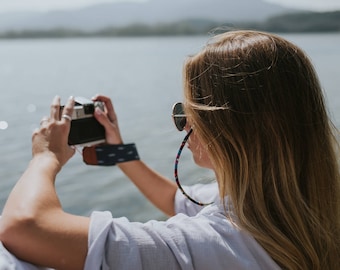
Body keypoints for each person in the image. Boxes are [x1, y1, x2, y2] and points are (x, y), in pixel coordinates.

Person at [0, 30, 339, 270]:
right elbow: (176, 201)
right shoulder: (299, 206)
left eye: (186, 113)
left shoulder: (209, 247)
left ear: (231, 129)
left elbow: (24, 227)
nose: (184, 125)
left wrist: (45, 157)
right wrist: (118, 151)